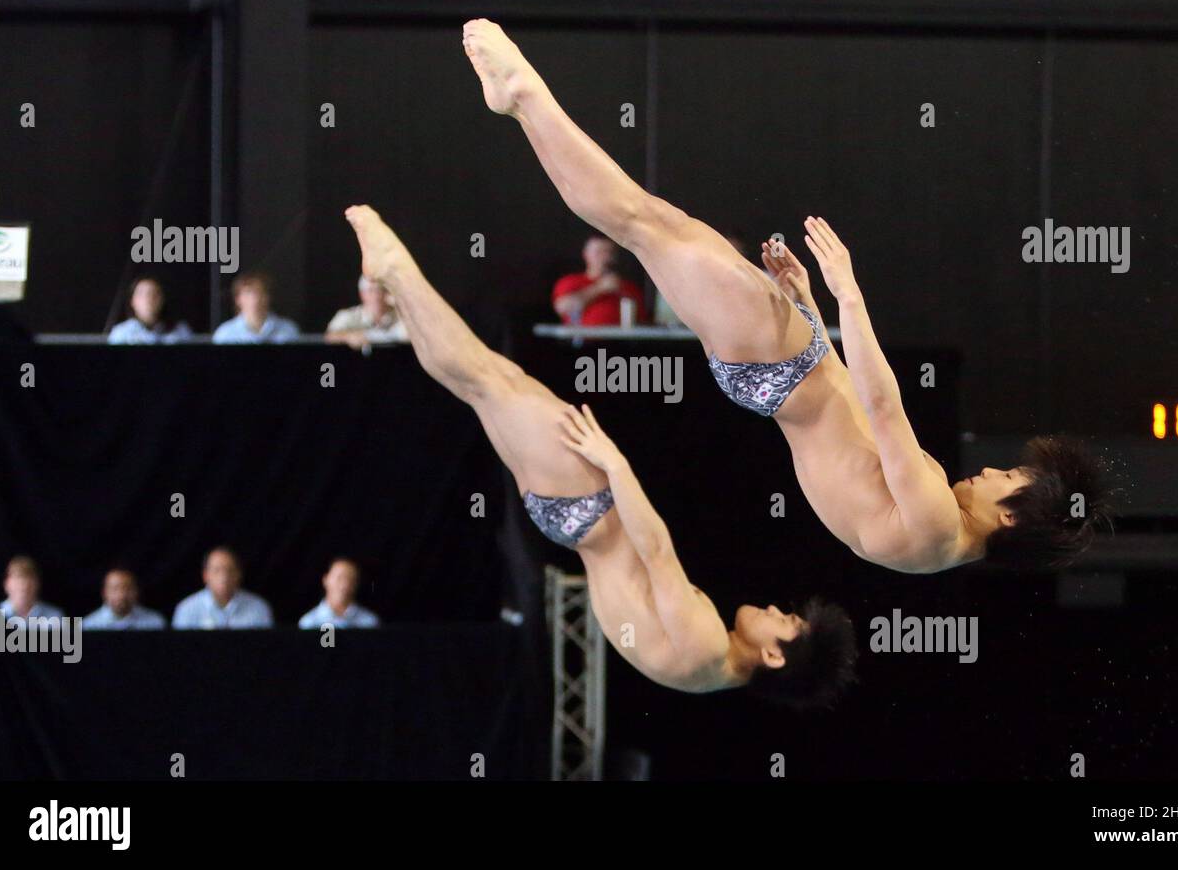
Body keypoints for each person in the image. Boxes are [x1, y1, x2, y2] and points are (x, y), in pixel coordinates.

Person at [461, 19, 1112, 574]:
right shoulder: (933, 533)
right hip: (787, 369)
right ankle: (521, 99)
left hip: (783, 369)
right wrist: (814, 314)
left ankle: (521, 96)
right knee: (652, 224)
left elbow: (882, 408)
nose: (991, 474)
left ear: (1008, 514)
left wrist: (848, 292)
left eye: (1006, 480)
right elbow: (851, 418)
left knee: (639, 222)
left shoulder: (940, 526)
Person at [345, 204, 855, 706]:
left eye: (782, 620)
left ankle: (393, 269)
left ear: (774, 656)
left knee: (485, 377)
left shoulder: (704, 647)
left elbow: (656, 549)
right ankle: (395, 288)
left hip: (589, 502)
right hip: (569, 524)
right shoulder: (704, 671)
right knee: (478, 384)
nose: (772, 607)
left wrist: (612, 463)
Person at [552, 234, 646, 326]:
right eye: (598, 252)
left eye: (610, 252)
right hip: (584, 339)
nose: (605, 257)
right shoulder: (570, 282)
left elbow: (641, 318)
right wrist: (599, 288)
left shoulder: (627, 286)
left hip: (622, 340)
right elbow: (563, 308)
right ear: (586, 254)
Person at [172, 547, 274, 629]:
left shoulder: (258, 608)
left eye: (230, 570)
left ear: (239, 574)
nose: (224, 577)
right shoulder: (187, 609)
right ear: (205, 575)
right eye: (217, 571)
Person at [212, 272, 300, 344]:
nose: (255, 299)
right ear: (238, 299)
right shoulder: (225, 333)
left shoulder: (289, 330)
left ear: (268, 297)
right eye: (248, 293)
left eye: (260, 293)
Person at [324, 275, 408, 350]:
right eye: (371, 291)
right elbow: (329, 337)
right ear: (362, 294)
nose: (376, 296)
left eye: (381, 290)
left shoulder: (400, 316)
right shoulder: (349, 316)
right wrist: (348, 337)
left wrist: (399, 306)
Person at [298, 558, 380, 629]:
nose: (345, 584)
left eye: (351, 579)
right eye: (339, 578)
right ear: (326, 580)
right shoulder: (310, 622)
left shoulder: (369, 622)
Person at [107, 276, 193, 344]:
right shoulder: (121, 333)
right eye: (142, 294)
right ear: (132, 301)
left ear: (162, 299)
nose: (149, 299)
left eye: (154, 294)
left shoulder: (181, 331)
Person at [82, 568, 167, 630]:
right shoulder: (88, 625)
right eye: (115, 589)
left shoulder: (155, 622)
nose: (121, 595)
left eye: (128, 589)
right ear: (104, 593)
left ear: (137, 591)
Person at [0, 555, 63, 627]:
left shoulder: (54, 618)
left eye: (28, 582)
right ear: (6, 584)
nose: (23, 586)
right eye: (17, 581)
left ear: (37, 584)